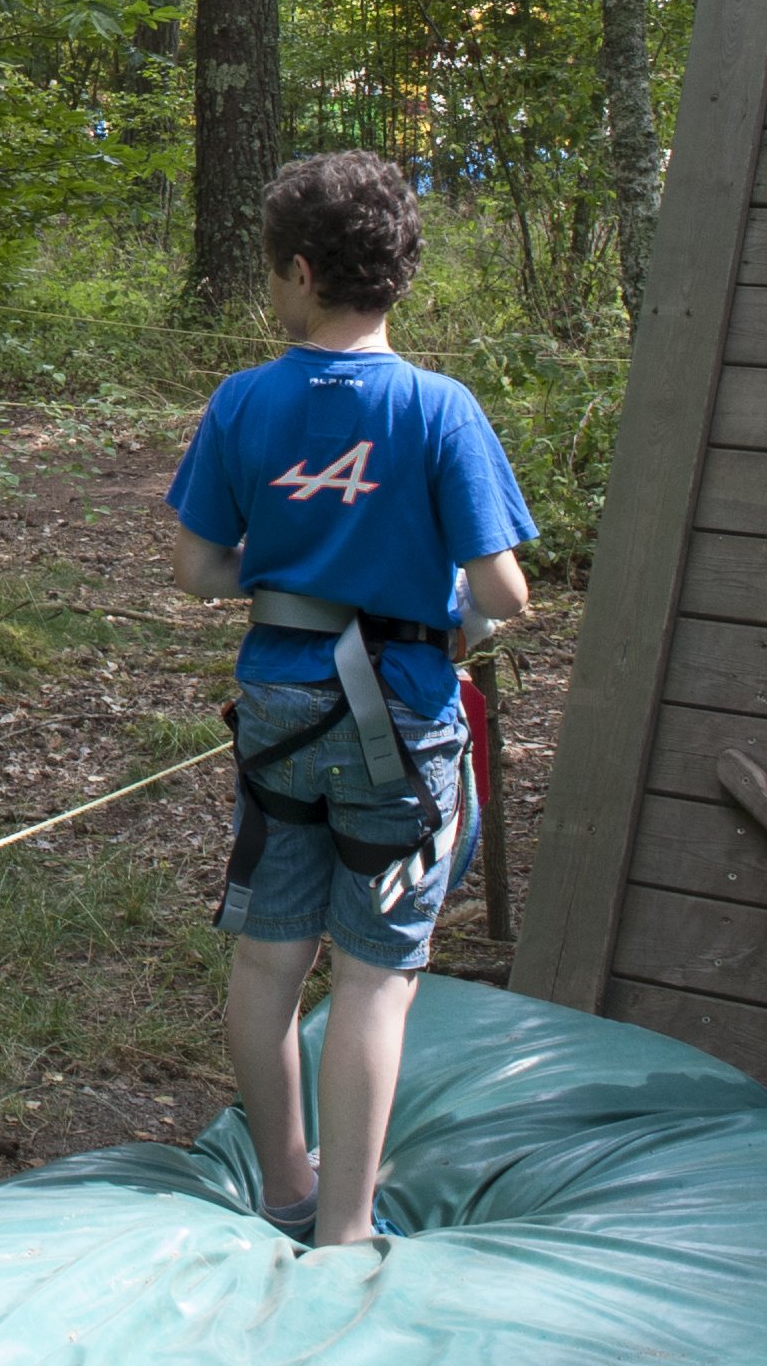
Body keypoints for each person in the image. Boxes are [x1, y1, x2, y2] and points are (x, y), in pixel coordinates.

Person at [166, 151, 537, 1248]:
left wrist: (293, 587)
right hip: (403, 721)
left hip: (281, 714)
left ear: (298, 271)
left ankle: (283, 1179)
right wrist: (434, 621)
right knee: (374, 982)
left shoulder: (244, 401)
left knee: (268, 958)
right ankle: (341, 1228)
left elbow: (196, 569)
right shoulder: (438, 408)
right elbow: (501, 590)